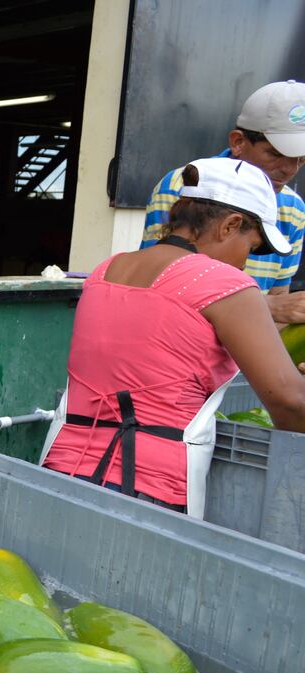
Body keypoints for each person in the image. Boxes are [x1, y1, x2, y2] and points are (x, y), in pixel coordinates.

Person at [44, 158, 305, 517]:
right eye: (252, 245)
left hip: (59, 468)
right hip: (147, 490)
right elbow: (290, 404)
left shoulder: (107, 270)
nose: (246, 262)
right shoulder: (224, 283)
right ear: (230, 226)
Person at [142, 80, 305, 324]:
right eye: (276, 154)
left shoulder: (294, 209)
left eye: (301, 159)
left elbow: (280, 297)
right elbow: (152, 281)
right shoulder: (182, 185)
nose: (289, 169)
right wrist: (262, 306)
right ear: (238, 141)